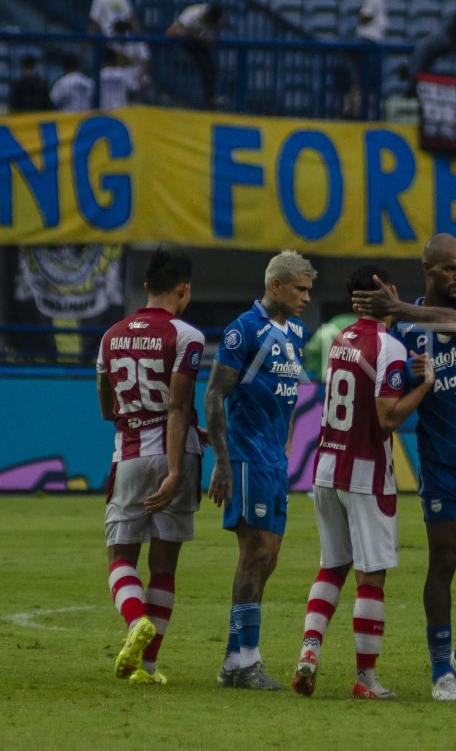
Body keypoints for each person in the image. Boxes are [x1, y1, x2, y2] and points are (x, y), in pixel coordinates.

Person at [349, 235, 456, 702]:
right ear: (427, 269)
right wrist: (417, 380)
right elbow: (391, 400)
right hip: (440, 462)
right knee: (443, 560)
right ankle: (441, 670)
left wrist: (399, 307)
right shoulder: (400, 337)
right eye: (449, 269)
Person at [291, 266, 434, 700]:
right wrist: (424, 384)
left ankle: (309, 651)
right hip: (366, 473)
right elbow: (387, 416)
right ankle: (366, 678)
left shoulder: (341, 340)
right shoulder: (388, 345)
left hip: (327, 467)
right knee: (371, 577)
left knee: (332, 565)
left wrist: (400, 374)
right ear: (385, 292)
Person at [205, 250, 314, 690]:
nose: (307, 297)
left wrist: (286, 442)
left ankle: (236, 659)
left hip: (274, 460)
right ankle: (244, 661)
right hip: (247, 457)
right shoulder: (243, 331)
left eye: (308, 289)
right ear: (276, 287)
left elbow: (287, 395)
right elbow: (214, 396)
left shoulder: (297, 333)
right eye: (300, 289)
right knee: (256, 554)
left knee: (270, 557)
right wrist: (223, 461)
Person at [96, 248, 204, 686]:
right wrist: (175, 471)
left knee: (120, 555)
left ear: (145, 288)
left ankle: (134, 620)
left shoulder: (111, 336)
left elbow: (106, 407)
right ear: (183, 289)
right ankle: (150, 663)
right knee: (164, 566)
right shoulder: (187, 336)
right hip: (176, 453)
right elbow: (178, 406)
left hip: (129, 452)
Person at [166, 2, 226, 109]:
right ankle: (208, 98)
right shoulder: (191, 15)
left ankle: (210, 98)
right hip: (186, 42)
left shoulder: (215, 20)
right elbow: (170, 32)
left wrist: (205, 37)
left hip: (200, 45)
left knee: (210, 69)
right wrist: (193, 35)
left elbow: (215, 32)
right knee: (203, 64)